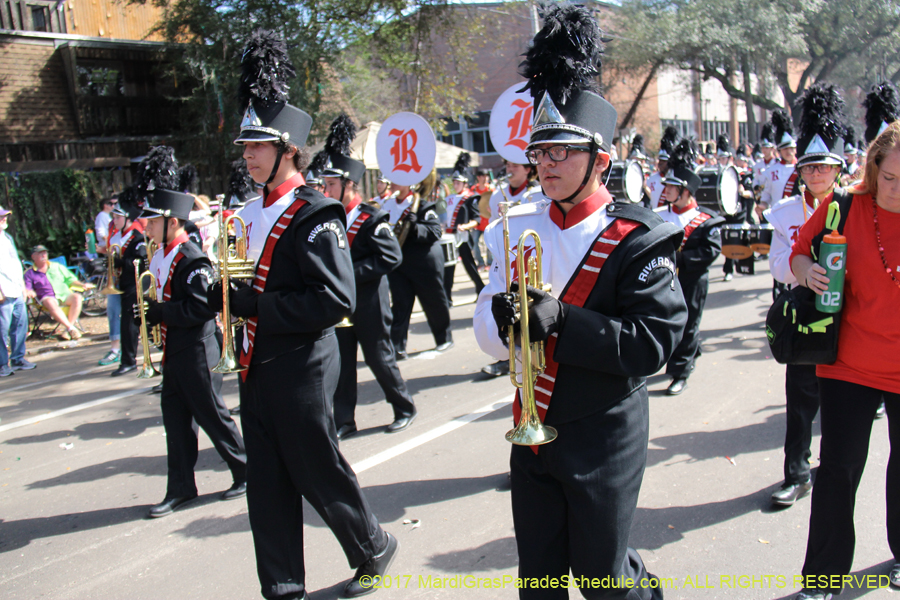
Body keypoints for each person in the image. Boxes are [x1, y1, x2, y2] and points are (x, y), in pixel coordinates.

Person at [474, 5, 687, 598]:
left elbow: (653, 345)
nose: (547, 164)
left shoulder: (642, 237)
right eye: (539, 153)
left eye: (562, 151)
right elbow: (487, 335)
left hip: (605, 425)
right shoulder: (511, 228)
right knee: (538, 582)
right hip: (531, 421)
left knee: (604, 581)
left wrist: (563, 321)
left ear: (601, 159)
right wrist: (500, 324)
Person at [213, 31, 398, 599]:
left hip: (303, 361)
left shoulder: (315, 212)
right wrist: (231, 307)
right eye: (244, 146)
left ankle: (373, 545)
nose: (246, 155)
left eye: (257, 146)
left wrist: (256, 306)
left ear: (287, 148)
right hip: (257, 360)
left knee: (316, 468)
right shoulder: (247, 212)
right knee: (265, 481)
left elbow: (334, 299)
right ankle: (282, 587)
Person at [789, 100, 900, 600]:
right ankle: (824, 577)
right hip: (849, 364)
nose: (898, 189)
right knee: (839, 468)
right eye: (891, 177)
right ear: (874, 167)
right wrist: (805, 272)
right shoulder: (846, 205)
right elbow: (798, 253)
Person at [134, 146, 247, 519]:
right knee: (175, 422)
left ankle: (245, 470)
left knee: (213, 414)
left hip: (197, 348)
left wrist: (160, 311)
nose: (145, 226)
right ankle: (181, 488)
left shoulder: (192, 258)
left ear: (172, 222)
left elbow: (203, 307)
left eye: (151, 221)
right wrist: (146, 316)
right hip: (172, 350)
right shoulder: (158, 256)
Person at [763, 83, 846, 509]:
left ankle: (833, 474)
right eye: (810, 167)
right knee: (799, 399)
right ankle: (795, 473)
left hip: (848, 318)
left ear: (837, 169)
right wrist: (802, 270)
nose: (816, 175)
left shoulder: (854, 208)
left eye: (824, 168)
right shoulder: (785, 213)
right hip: (804, 314)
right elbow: (778, 263)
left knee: (843, 404)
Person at [318, 115, 417, 441]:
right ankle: (345, 420)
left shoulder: (371, 217)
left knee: (379, 358)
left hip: (371, 301)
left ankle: (404, 407)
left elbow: (391, 257)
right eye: (324, 184)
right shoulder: (328, 218)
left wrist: (349, 274)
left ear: (349, 186)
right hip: (340, 304)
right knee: (343, 364)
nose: (325, 190)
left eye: (331, 185)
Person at [655, 140, 725, 395]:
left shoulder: (706, 220)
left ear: (685, 191)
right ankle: (688, 353)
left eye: (672, 187)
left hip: (693, 281)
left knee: (689, 324)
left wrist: (678, 259)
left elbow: (710, 252)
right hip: (665, 280)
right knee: (667, 322)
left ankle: (680, 373)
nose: (666, 191)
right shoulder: (660, 213)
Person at [383, 174, 454, 360]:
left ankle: (444, 338)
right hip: (399, 264)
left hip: (424, 264)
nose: (391, 184)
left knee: (434, 302)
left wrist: (416, 228)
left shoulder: (422, 206)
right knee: (400, 305)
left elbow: (435, 231)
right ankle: (397, 346)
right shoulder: (386, 205)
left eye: (395, 180)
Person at [109, 194, 148, 377]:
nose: (114, 220)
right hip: (121, 284)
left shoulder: (137, 237)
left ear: (127, 219)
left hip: (134, 285)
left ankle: (129, 361)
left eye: (117, 217)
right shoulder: (117, 236)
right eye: (114, 217)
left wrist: (120, 262)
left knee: (130, 324)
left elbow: (139, 262)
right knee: (126, 323)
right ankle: (128, 359)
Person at [443, 152, 485, 301]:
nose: (455, 185)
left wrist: (466, 226)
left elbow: (477, 219)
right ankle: (447, 297)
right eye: (454, 182)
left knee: (469, 266)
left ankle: (481, 289)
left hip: (463, 237)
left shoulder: (470, 198)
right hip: (450, 236)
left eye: (458, 183)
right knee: (449, 267)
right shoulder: (450, 198)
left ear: (465, 183)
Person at [0, 206, 34, 377]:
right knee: (2, 328)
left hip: (15, 288)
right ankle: (1, 364)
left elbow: (16, 264)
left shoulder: (7, 237)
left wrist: (23, 286)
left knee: (20, 324)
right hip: (3, 290)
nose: (4, 219)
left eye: (5, 216)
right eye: (1, 217)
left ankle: (18, 358)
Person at [24, 245, 84, 341]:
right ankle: (71, 328)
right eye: (40, 253)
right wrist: (30, 292)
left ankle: (68, 329)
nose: (44, 255)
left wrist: (81, 285)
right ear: (33, 257)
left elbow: (70, 279)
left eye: (45, 253)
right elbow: (27, 288)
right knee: (50, 302)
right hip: (47, 298)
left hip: (63, 295)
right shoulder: (29, 273)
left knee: (77, 297)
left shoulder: (57, 266)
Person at [758, 109, 798, 215]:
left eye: (791, 148)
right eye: (785, 149)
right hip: (779, 217)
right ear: (779, 151)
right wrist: (762, 204)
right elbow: (766, 194)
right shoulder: (771, 171)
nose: (789, 152)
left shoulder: (803, 169)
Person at [648, 125, 678, 208]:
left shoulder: (675, 180)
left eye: (663, 161)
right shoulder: (652, 178)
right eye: (659, 160)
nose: (659, 163)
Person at [470, 167, 493, 269]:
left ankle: (490, 262)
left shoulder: (491, 189)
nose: (485, 178)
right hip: (477, 221)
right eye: (483, 176)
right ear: (478, 177)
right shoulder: (474, 190)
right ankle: (480, 262)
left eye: (486, 176)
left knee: (489, 243)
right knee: (475, 243)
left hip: (488, 220)